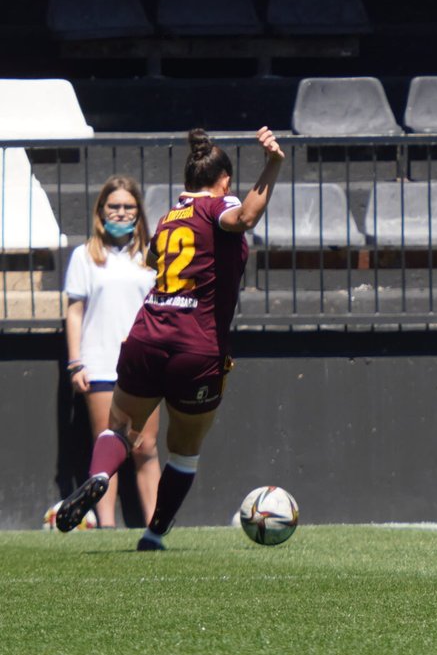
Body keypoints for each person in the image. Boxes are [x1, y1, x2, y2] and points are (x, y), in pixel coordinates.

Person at [53, 127, 285, 548]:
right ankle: (154, 534)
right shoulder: (221, 204)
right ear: (225, 180)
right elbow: (246, 217)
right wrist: (273, 164)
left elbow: (156, 259)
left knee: (120, 426)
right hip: (196, 346)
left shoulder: (167, 218)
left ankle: (101, 475)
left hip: (147, 336)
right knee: (183, 450)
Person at [62, 176, 160, 528]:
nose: (120, 213)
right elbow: (74, 311)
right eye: (113, 207)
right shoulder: (84, 256)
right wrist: (76, 363)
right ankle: (106, 527)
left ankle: (156, 525)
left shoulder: (152, 254)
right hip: (100, 364)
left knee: (145, 447)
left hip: (144, 366)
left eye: (128, 207)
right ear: (101, 211)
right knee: (107, 447)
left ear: (138, 211)